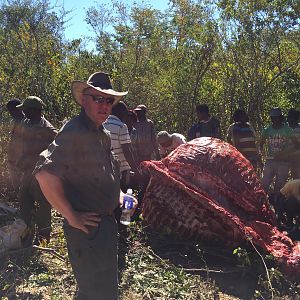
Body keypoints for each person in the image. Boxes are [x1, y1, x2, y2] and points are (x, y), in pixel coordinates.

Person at [34, 71, 137, 299]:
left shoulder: (103, 133)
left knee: (104, 289)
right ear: (83, 99)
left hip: (106, 226)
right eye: (97, 98)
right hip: (88, 230)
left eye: (108, 100)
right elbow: (44, 175)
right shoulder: (75, 131)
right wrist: (72, 216)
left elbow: (105, 172)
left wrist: (120, 195)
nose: (104, 105)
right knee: (96, 292)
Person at [16, 96, 57, 243]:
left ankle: (44, 236)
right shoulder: (26, 123)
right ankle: (26, 231)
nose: (24, 112)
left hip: (41, 174)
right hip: (28, 172)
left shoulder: (48, 129)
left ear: (34, 111)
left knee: (43, 204)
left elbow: (58, 150)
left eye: (26, 110)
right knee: (24, 200)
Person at [260, 107, 295, 198]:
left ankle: (277, 206)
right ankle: (262, 204)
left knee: (279, 186)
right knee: (265, 182)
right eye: (273, 118)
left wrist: (286, 154)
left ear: (280, 118)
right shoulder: (267, 130)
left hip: (284, 161)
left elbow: (296, 144)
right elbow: (261, 142)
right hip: (270, 160)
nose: (275, 120)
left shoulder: (287, 130)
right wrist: (261, 155)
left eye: (276, 117)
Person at [103, 101, 138, 192]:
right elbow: (127, 150)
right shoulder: (122, 126)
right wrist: (135, 168)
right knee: (122, 193)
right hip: (121, 168)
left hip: (104, 167)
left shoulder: (102, 124)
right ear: (121, 113)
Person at [6, 98, 24, 190]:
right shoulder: (15, 121)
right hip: (14, 155)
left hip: (23, 157)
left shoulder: (26, 122)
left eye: (12, 110)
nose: (11, 113)